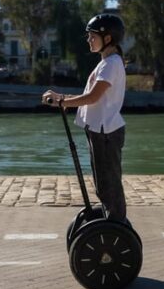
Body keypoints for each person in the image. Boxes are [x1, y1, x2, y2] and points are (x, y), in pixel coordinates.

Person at [42, 13, 128, 222]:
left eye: (92, 36)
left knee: (109, 186)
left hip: (106, 132)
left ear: (107, 38)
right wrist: (63, 98)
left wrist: (62, 102)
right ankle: (111, 223)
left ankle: (116, 227)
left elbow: (93, 97)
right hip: (99, 131)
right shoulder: (106, 62)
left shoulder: (111, 64)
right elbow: (94, 98)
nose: (88, 40)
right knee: (103, 185)